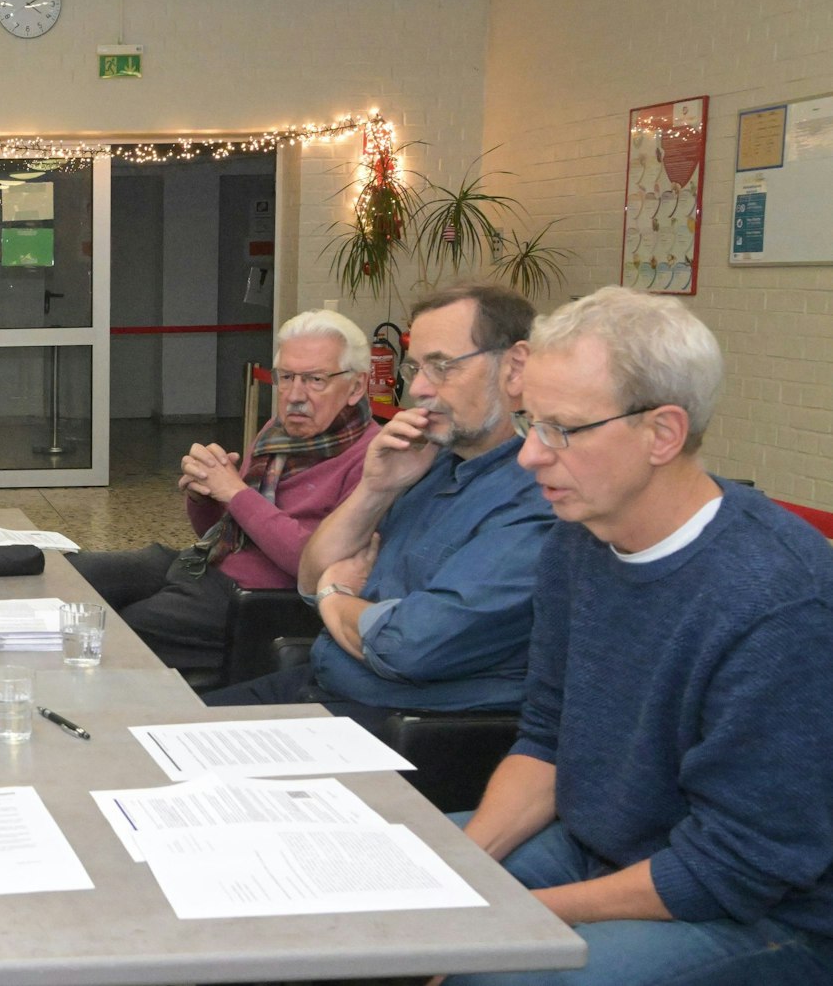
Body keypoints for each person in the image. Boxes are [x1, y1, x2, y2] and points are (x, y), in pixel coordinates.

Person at [442, 288, 833, 985]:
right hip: (603, 848)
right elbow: (547, 735)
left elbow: (734, 868)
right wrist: (459, 873)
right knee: (394, 891)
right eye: (530, 421)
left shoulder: (780, 599)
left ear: (663, 433)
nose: (530, 455)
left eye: (562, 429)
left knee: (489, 971)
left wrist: (512, 915)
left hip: (757, 913)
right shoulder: (580, 537)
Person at [204, 284, 554, 733]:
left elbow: (408, 645)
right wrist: (374, 488)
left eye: (442, 367)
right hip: (322, 686)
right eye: (416, 367)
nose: (420, 389)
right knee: (141, 741)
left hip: (399, 726)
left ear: (515, 367)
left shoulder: (534, 498)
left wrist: (336, 598)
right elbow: (311, 576)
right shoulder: (423, 465)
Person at [68, 310, 379, 678]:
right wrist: (203, 496)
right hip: (205, 563)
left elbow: (315, 567)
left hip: (255, 599)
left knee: (111, 633)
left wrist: (234, 492)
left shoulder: (372, 459)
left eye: (315, 380)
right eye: (287, 378)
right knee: (70, 574)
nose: (295, 396)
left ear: (357, 387)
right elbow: (223, 532)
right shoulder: (276, 434)